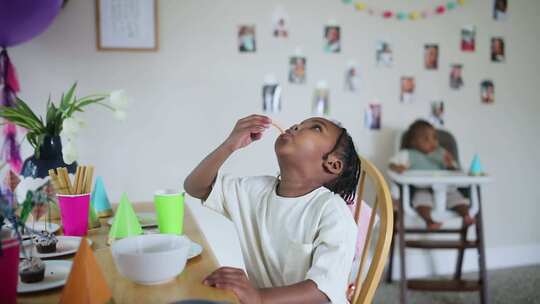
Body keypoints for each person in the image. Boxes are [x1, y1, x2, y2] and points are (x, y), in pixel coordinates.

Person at [184, 114, 359, 303]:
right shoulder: (256, 191)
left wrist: (258, 297)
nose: (296, 126)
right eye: (300, 123)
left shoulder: (333, 213)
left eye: (316, 128)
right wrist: (230, 144)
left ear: (332, 164)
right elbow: (196, 187)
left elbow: (323, 292)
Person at [389, 120, 475, 230]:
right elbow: (391, 164)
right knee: (421, 201)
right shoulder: (408, 154)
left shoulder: (442, 153)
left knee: (457, 199)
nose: (432, 142)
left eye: (434, 138)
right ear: (413, 142)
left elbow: (456, 171)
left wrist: (450, 165)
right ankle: (429, 221)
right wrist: (398, 168)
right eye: (426, 139)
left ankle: (466, 215)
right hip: (422, 188)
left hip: (447, 189)